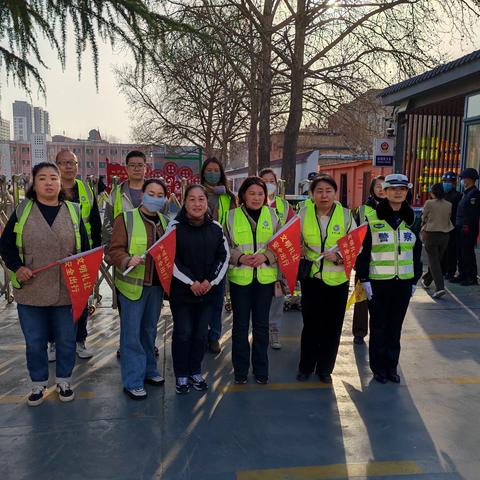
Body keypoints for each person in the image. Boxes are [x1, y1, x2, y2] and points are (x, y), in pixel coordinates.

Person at [0, 162, 90, 406]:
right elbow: (5, 246)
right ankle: (38, 383)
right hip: (31, 289)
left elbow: (85, 250)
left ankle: (63, 380)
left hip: (66, 289)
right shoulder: (23, 210)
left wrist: (83, 284)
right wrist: (18, 267)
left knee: (66, 339)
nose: (49, 182)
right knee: (35, 341)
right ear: (34, 183)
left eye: (53, 178)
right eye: (42, 178)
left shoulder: (73, 210)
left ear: (61, 183)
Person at [355, 173, 423, 384]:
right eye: (393, 189)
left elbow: (417, 252)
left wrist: (414, 281)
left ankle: (391, 367)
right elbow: (364, 252)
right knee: (378, 326)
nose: (398, 192)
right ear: (384, 191)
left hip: (403, 283)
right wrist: (364, 279)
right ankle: (378, 369)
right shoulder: (372, 218)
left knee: (395, 327)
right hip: (378, 283)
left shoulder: (413, 219)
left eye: (402, 189)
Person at [108, 179, 169, 400]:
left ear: (164, 199)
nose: (155, 197)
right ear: (142, 195)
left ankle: (149, 370)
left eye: (159, 194)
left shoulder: (165, 222)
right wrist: (126, 259)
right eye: (150, 193)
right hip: (132, 287)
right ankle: (133, 380)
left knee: (149, 331)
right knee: (131, 335)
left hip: (155, 286)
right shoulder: (126, 219)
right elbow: (113, 250)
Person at [169, 185, 229, 394]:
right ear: (184, 202)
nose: (197, 204)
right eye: (192, 199)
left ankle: (195, 371)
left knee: (201, 335)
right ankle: (181, 374)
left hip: (207, 293)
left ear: (207, 203)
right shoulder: (174, 227)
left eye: (201, 199)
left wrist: (209, 282)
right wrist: (190, 282)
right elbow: (171, 260)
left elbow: (223, 256)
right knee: (184, 333)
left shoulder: (216, 228)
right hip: (183, 294)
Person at [297, 175, 356, 384]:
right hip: (312, 278)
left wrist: (339, 257)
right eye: (319, 191)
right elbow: (294, 241)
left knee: (332, 326)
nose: (324, 195)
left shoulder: (347, 216)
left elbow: (356, 245)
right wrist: (301, 249)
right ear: (312, 194)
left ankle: (325, 369)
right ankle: (305, 367)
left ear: (335, 193)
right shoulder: (303, 214)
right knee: (310, 324)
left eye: (328, 191)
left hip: (338, 281)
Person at [45, 149, 102, 361]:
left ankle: (80, 340)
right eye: (64, 162)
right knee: (54, 299)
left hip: (82, 255)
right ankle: (53, 344)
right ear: (56, 165)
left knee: (82, 299)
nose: (69, 166)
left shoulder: (85, 189)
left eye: (73, 163)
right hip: (54, 255)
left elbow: (95, 223)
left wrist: (95, 253)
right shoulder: (49, 189)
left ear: (78, 166)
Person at [226, 176, 279, 384]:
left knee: (261, 326)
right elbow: (224, 245)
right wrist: (240, 258)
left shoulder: (273, 216)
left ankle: (261, 370)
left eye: (260, 194)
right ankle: (240, 371)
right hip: (240, 279)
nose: (256, 198)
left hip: (264, 279)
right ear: (243, 196)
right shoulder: (231, 217)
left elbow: (281, 245)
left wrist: (266, 256)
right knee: (239, 327)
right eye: (252, 193)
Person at [200, 157, 237, 354]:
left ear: (221, 173)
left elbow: (234, 224)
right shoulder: (196, 193)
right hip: (198, 250)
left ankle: (214, 336)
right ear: (203, 172)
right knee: (199, 296)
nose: (212, 173)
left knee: (217, 297)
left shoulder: (228, 197)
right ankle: (200, 335)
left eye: (216, 170)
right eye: (209, 170)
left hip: (221, 252)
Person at [259, 168, 296, 349]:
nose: (268, 184)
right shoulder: (253, 202)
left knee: (277, 296)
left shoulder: (284, 206)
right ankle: (258, 330)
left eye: (271, 180)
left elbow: (293, 229)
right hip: (257, 260)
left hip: (278, 260)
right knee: (257, 297)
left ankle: (273, 331)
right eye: (264, 180)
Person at [352, 175, 385, 345]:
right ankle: (359, 331)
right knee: (362, 298)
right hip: (365, 260)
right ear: (372, 189)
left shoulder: (395, 208)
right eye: (377, 186)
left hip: (385, 263)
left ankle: (380, 332)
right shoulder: (362, 209)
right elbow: (354, 234)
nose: (380, 189)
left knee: (382, 302)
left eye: (383, 185)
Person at [102, 150, 147, 252]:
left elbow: (164, 219)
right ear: (126, 168)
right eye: (132, 165)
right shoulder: (116, 193)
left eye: (140, 165)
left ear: (145, 168)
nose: (136, 169)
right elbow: (108, 223)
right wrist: (109, 250)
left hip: (150, 250)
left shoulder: (155, 191)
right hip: (122, 251)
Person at [421, 183, 454, 298]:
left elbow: (423, 217)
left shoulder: (429, 203)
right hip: (445, 236)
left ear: (433, 192)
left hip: (431, 235)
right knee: (436, 261)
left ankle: (440, 288)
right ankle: (426, 280)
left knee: (434, 262)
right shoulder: (449, 204)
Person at [450, 168, 480, 286]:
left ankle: (471, 277)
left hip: (467, 228)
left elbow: (473, 214)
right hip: (459, 226)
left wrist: (466, 226)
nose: (462, 181)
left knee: (467, 253)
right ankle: (462, 274)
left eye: (463, 179)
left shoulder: (475, 194)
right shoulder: (465, 193)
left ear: (469, 180)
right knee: (460, 252)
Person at [441, 172, 462, 279]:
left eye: (448, 182)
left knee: (451, 251)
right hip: (441, 226)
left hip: (452, 226)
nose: (446, 184)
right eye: (444, 181)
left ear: (454, 183)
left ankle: (450, 271)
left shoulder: (458, 196)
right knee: (442, 250)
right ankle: (443, 270)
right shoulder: (441, 195)